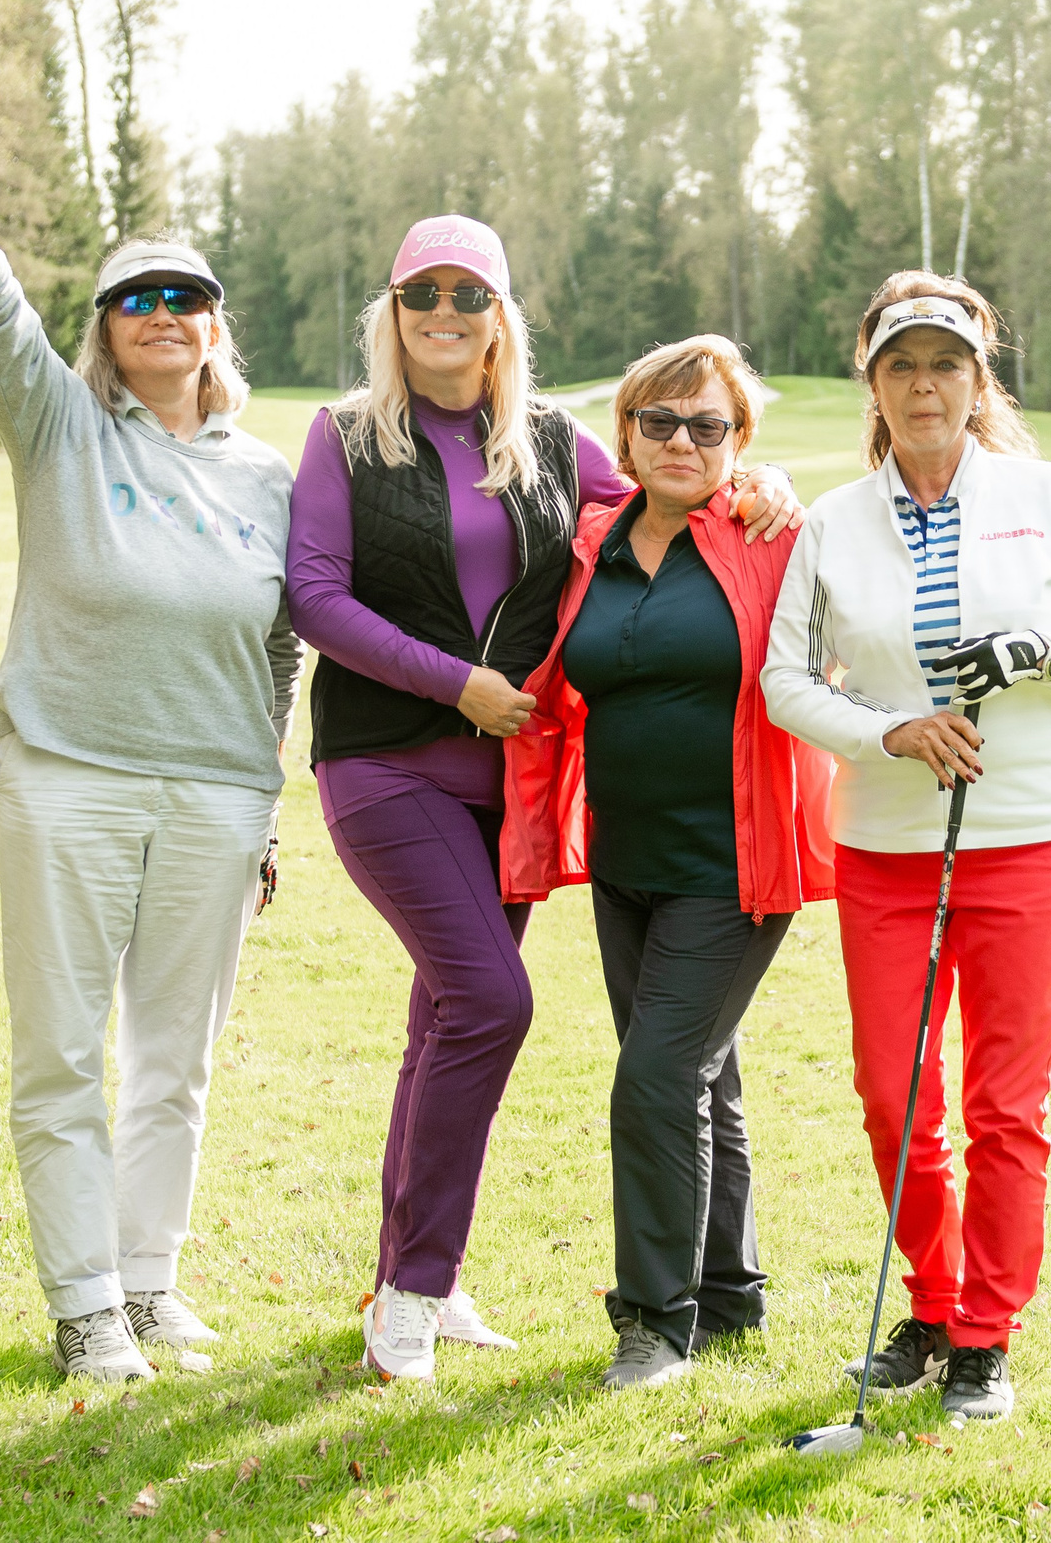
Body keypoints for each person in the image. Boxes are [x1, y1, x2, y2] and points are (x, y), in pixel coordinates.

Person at [285, 215, 803, 1383]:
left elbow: (674, 491)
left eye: (469, 294)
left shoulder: (554, 442)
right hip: (383, 766)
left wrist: (761, 482)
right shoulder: (346, 437)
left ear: (500, 316)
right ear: (393, 310)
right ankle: (413, 1292)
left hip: (506, 790)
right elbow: (314, 596)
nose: (445, 313)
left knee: (443, 1022)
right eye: (424, 292)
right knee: (489, 1001)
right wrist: (454, 683)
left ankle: (418, 1274)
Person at [0, 66, 299, 1384]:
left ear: (215, 326)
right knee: (65, 1054)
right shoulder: (60, 424)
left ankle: (147, 1282)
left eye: (186, 298)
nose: (164, 316)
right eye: (138, 299)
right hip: (68, 778)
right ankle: (83, 1308)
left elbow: (283, 645)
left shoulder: (266, 476)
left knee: (174, 1058)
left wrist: (264, 806)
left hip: (216, 798)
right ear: (104, 328)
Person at [761, 273, 1051, 1422]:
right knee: (893, 1096)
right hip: (885, 843)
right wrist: (890, 730)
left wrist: (1038, 653)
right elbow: (786, 681)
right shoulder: (833, 522)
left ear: (978, 383)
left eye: (944, 365)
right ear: (873, 386)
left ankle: (982, 1334)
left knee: (1004, 1105)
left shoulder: (1043, 494)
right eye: (901, 367)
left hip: (1028, 834)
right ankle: (929, 1304)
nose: (923, 386)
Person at [499, 336, 835, 1390]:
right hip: (625, 861)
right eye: (660, 422)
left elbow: (841, 647)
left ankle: (653, 1321)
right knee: (698, 1074)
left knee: (655, 1074)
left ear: (740, 442)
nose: (682, 442)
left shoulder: (772, 537)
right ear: (628, 434)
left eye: (708, 426)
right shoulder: (594, 540)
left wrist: (776, 489)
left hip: (735, 863)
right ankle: (730, 1295)